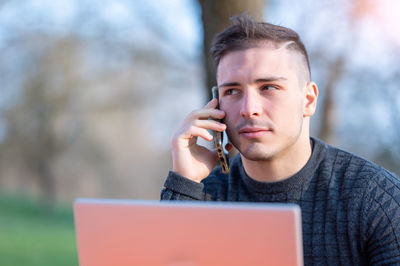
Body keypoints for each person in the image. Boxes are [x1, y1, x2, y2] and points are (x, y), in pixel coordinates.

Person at [161, 15, 400, 265]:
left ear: (308, 100)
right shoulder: (202, 196)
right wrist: (184, 185)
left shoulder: (376, 200)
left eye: (268, 87)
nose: (249, 108)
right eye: (232, 91)